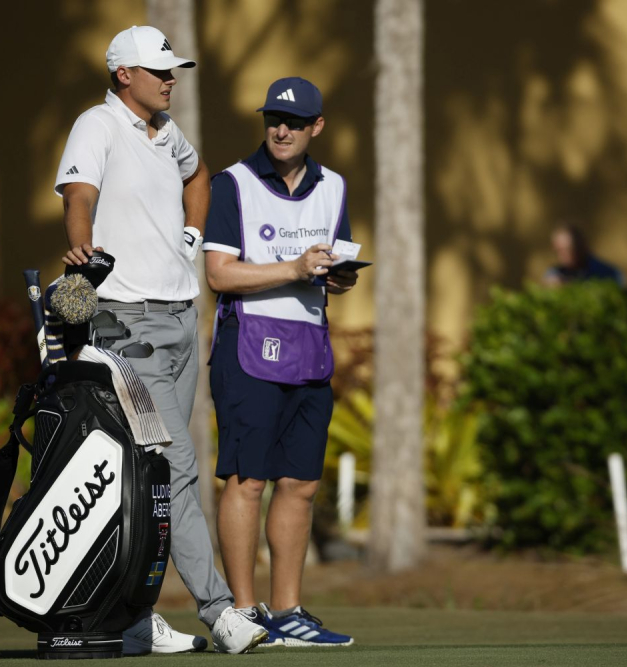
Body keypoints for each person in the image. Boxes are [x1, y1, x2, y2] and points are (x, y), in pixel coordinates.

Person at [54, 25, 268, 655]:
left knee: (145, 475)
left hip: (179, 316)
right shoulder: (99, 125)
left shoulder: (165, 131)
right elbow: (78, 194)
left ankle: (131, 617)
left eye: (173, 70)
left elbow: (198, 175)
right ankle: (220, 611)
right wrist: (82, 241)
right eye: (159, 71)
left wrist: (192, 240)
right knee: (174, 469)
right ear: (125, 74)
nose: (171, 79)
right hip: (127, 321)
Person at [202, 76, 356, 647]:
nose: (281, 129)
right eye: (273, 119)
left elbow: (330, 265)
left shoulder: (334, 187)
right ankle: (244, 612)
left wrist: (334, 277)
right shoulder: (233, 185)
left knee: (301, 484)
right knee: (247, 482)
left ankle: (289, 612)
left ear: (317, 127)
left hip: (311, 349)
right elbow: (219, 274)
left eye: (293, 121)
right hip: (247, 349)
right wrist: (293, 268)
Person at [543, 223, 625, 287]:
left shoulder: (608, 274)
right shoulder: (553, 273)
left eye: (567, 249)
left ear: (581, 246)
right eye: (558, 251)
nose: (562, 255)